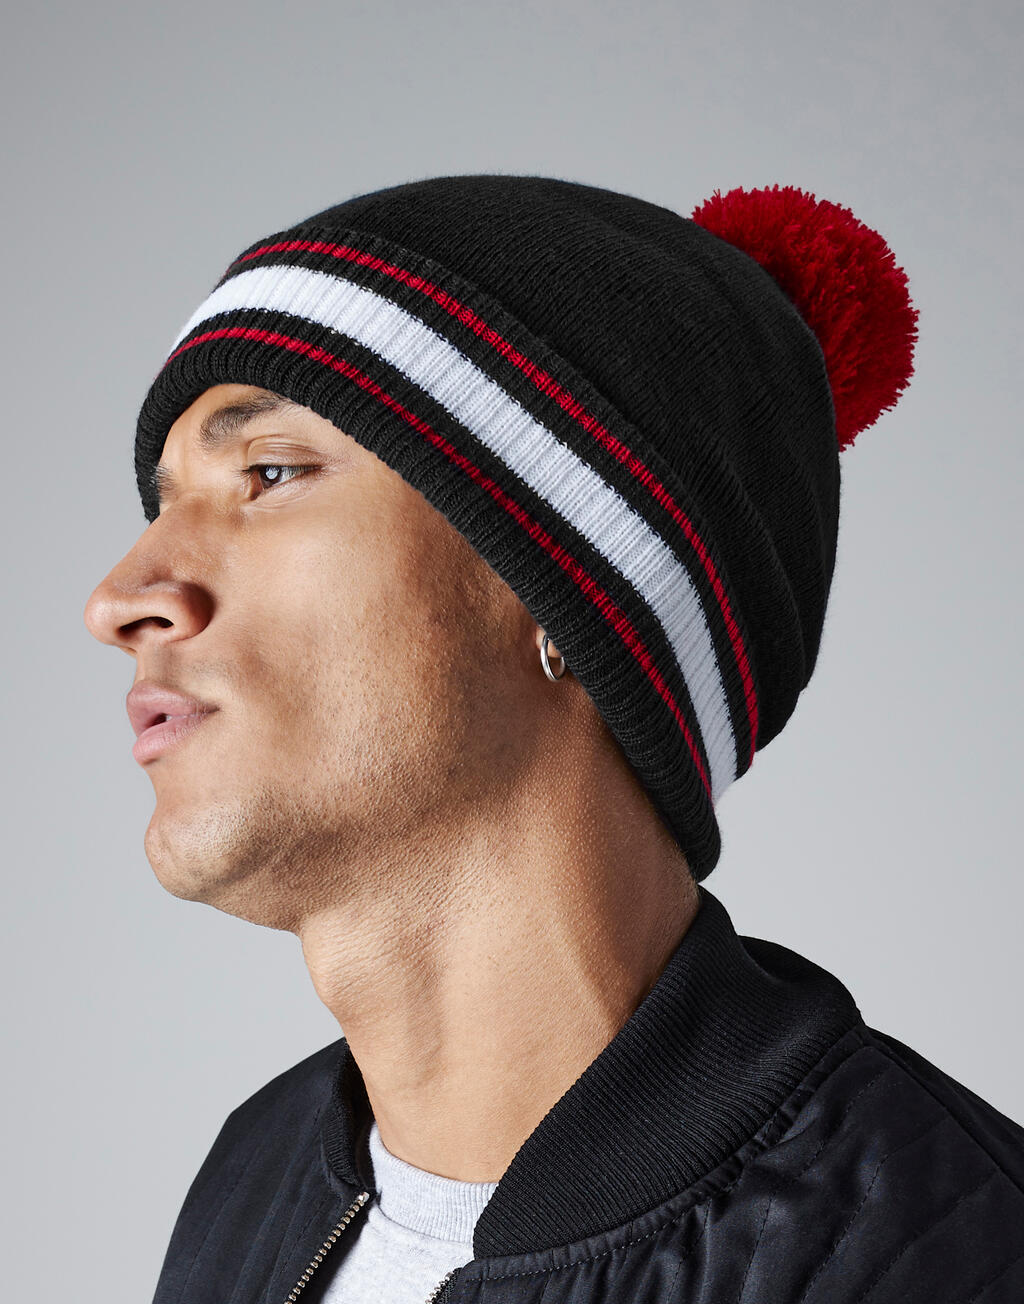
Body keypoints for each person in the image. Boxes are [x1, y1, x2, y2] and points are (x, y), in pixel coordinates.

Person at [83, 174, 1024, 1304]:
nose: (120, 598)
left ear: (569, 596)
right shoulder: (257, 1176)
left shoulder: (940, 1251)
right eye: (161, 505)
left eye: (270, 473)